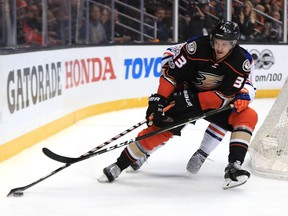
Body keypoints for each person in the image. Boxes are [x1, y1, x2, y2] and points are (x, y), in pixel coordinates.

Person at [98, 19, 258, 188]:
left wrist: (194, 102)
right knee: (158, 130)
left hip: (213, 103)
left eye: (224, 44)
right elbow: (171, 74)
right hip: (185, 93)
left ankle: (234, 167)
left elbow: (224, 95)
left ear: (233, 44)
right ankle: (119, 165)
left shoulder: (241, 62)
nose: (219, 48)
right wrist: (160, 98)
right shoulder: (196, 48)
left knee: (248, 116)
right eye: (217, 42)